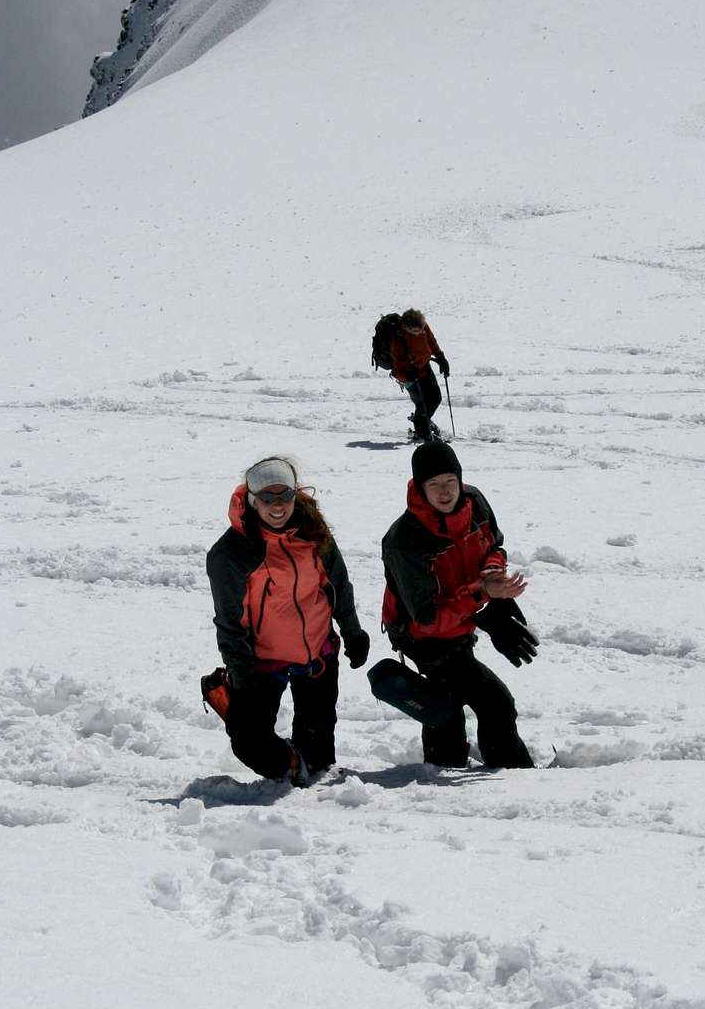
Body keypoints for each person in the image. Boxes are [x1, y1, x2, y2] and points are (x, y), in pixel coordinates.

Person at [206, 457, 370, 785]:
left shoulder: (313, 532)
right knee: (250, 743)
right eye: (267, 498)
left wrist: (353, 632)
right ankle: (291, 765)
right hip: (262, 663)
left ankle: (312, 795)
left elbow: (338, 584)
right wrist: (239, 672)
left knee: (320, 762)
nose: (278, 506)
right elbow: (229, 622)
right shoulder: (230, 554)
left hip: (317, 657)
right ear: (252, 500)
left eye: (285, 497)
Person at [380, 440, 538, 769]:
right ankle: (510, 772)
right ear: (420, 488)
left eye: (451, 481)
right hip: (422, 637)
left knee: (447, 707)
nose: (445, 491)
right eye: (434, 485)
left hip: (464, 612)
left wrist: (493, 577)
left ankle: (443, 767)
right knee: (494, 702)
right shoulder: (403, 541)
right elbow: (428, 619)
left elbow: (494, 544)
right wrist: (484, 594)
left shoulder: (475, 502)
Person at [389, 308, 450, 442]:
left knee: (435, 398)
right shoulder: (398, 341)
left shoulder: (421, 326)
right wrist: (407, 376)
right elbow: (396, 370)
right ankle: (422, 432)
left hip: (424, 367)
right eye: (416, 331)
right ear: (406, 327)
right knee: (422, 403)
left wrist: (440, 356)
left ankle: (422, 423)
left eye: (422, 329)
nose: (420, 332)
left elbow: (431, 340)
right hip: (410, 376)